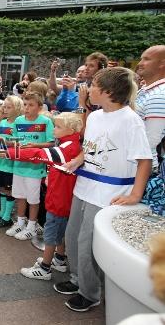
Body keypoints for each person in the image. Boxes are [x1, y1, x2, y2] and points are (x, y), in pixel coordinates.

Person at [55, 67, 152, 312]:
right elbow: (90, 148)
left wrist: (135, 194)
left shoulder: (131, 121)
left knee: (88, 244)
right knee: (73, 237)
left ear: (108, 91)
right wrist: (77, 160)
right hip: (84, 186)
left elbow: (144, 159)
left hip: (108, 194)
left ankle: (90, 292)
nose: (88, 88)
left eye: (93, 84)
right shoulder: (96, 116)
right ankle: (78, 280)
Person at [3, 112, 82, 280]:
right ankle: (59, 260)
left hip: (59, 199)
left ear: (70, 129)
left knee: (51, 233)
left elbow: (38, 155)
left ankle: (45, 268)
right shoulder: (70, 144)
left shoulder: (67, 148)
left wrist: (9, 152)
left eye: (58, 126)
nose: (54, 129)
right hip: (62, 197)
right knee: (59, 232)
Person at [5, 91, 55, 240]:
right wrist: (12, 143)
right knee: (20, 196)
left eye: (31, 105)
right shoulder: (19, 120)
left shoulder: (45, 121)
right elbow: (13, 140)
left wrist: (35, 145)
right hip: (19, 165)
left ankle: (32, 226)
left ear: (39, 107)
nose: (27, 107)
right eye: (25, 104)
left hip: (34, 168)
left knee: (33, 199)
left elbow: (51, 143)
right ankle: (20, 223)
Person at [0, 95, 23, 228]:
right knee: (2, 189)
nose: (5, 109)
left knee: (9, 190)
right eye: (4, 106)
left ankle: (7, 216)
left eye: (8, 107)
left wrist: (0, 140)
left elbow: (19, 142)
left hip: (11, 164)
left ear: (16, 109)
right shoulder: (3, 122)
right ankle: (2, 213)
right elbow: (1, 142)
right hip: (1, 162)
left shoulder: (19, 124)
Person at [135, 45, 165, 172]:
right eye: (141, 59)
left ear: (162, 64)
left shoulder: (160, 94)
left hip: (141, 168)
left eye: (147, 59)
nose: (140, 63)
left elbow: (151, 140)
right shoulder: (148, 90)